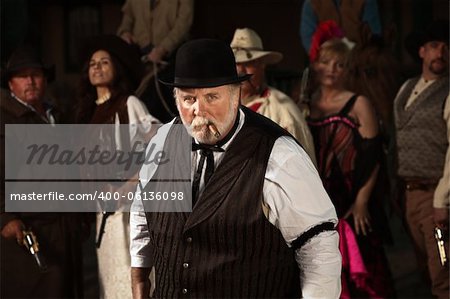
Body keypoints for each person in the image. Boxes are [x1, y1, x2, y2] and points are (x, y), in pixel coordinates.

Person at [129, 38, 341, 298]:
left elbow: (318, 248)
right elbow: (142, 210)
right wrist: (139, 280)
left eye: (211, 97)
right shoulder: (161, 142)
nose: (199, 110)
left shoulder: (280, 155)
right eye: (188, 99)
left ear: (235, 95)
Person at [306, 37, 395, 298]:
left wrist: (361, 201)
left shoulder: (359, 103)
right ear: (315, 65)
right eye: (325, 62)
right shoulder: (304, 102)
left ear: (348, 70)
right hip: (315, 198)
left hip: (349, 194)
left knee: (363, 271)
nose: (332, 69)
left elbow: (373, 157)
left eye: (340, 64)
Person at [76, 35, 159, 299]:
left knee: (132, 281)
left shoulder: (129, 104)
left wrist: (130, 184)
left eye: (104, 62)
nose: (97, 67)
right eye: (92, 64)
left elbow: (160, 148)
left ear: (116, 68)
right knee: (109, 284)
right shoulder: (87, 112)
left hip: (129, 211)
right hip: (103, 213)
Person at [0, 47, 85, 298]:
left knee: (68, 288)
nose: (30, 81)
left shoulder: (56, 115)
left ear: (45, 79)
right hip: (28, 227)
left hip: (64, 223)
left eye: (35, 74)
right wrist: (4, 217)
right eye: (22, 76)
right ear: (10, 83)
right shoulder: (4, 119)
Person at [394, 20, 449, 299]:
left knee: (442, 268)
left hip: (436, 194)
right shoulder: (405, 88)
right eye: (435, 46)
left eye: (446, 48)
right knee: (423, 268)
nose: (441, 53)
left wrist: (442, 201)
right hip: (409, 194)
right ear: (422, 52)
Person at [231, 27, 317, 165]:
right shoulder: (220, 108)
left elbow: (299, 169)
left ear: (262, 65)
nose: (241, 71)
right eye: (236, 64)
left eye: (249, 63)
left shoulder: (284, 112)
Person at [117, 0, 194, 122]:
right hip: (139, 56)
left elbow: (184, 23)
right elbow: (127, 17)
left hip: (172, 57)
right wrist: (125, 32)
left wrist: (163, 48)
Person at [299, 0, 382, 54]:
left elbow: (374, 39)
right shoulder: (311, 4)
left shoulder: (366, 2)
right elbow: (309, 42)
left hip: (359, 66)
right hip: (326, 67)